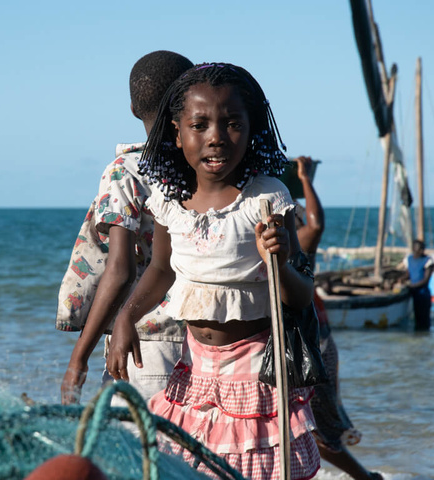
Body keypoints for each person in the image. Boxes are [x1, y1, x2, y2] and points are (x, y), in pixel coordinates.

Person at [106, 63, 320, 479]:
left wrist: (276, 262)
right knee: (192, 466)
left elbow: (301, 295)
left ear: (252, 127)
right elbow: (161, 270)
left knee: (251, 467)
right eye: (199, 125)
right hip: (194, 371)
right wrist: (125, 318)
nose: (216, 137)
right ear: (176, 132)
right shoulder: (170, 201)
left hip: (255, 373)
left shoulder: (266, 198)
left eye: (232, 123)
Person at [56, 51, 194, 405]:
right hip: (208, 343)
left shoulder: (127, 170)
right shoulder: (207, 165)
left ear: (134, 108)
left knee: (139, 455)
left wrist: (79, 358)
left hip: (142, 342)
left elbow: (120, 270)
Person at [292, 155, 383, 480]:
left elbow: (316, 224)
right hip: (310, 344)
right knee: (309, 428)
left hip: (312, 347)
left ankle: (366, 478)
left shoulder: (296, 247)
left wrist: (305, 179)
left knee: (319, 430)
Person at [404, 239, 433, 331]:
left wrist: (411, 286)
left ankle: (425, 340)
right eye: (418, 249)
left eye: (422, 249)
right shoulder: (409, 259)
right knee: (417, 318)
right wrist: (399, 279)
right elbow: (408, 274)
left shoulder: (427, 261)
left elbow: (425, 280)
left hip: (423, 295)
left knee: (424, 320)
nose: (421, 251)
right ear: (413, 249)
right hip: (415, 294)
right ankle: (418, 341)